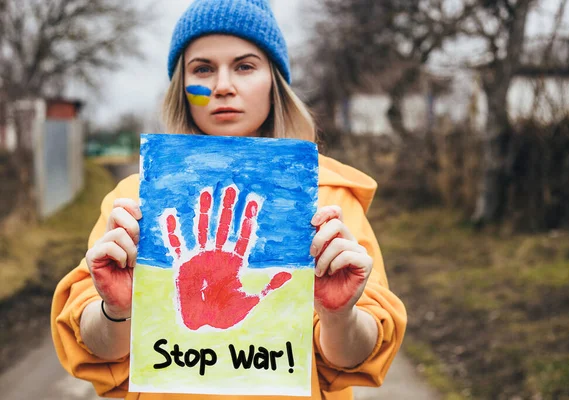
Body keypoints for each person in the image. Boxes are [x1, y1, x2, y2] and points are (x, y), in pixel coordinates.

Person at [50, 0, 407, 399]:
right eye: (202, 69)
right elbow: (99, 352)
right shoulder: (134, 200)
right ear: (182, 89)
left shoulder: (329, 198)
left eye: (244, 66)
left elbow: (353, 358)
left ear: (274, 81)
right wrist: (117, 310)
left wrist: (339, 316)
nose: (222, 85)